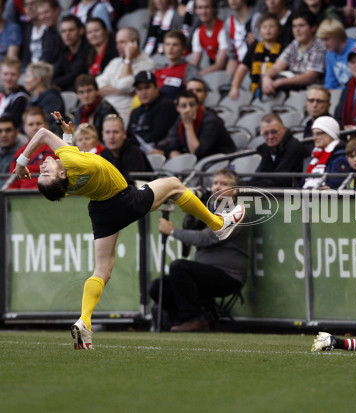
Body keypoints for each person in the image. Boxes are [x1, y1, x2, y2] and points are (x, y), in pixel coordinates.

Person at [12, 116, 246, 349]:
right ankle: (218, 224)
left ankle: (84, 321)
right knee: (174, 184)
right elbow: (43, 134)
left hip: (101, 212)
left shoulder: (68, 177)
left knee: (102, 269)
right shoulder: (70, 162)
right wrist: (22, 162)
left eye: (42, 172)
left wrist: (68, 137)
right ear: (61, 176)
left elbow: (70, 160)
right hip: (125, 200)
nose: (42, 166)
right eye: (46, 173)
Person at [149, 168, 250, 332]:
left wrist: (173, 231)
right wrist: (193, 203)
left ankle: (193, 319)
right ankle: (193, 317)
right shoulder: (209, 209)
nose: (217, 187)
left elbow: (206, 238)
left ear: (235, 190)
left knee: (179, 267)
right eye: (215, 183)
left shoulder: (237, 212)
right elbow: (191, 226)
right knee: (156, 287)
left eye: (224, 184)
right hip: (203, 275)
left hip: (227, 276)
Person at [95, 27, 155, 122]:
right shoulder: (115, 62)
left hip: (125, 115)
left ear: (134, 43)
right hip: (104, 111)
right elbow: (96, 87)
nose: (118, 46)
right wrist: (122, 92)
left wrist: (128, 59)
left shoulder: (147, 64)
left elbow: (124, 85)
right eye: (117, 43)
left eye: (122, 42)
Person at [261, 9, 326, 96]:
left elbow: (310, 77)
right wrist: (266, 78)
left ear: (313, 28)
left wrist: (280, 82)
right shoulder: (295, 43)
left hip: (310, 92)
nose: (297, 30)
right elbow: (277, 67)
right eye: (294, 26)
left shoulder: (319, 46)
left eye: (301, 26)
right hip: (290, 87)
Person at [157, 90, 236, 159]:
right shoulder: (180, 120)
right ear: (178, 108)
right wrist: (173, 153)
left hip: (223, 161)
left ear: (198, 106)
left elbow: (197, 152)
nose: (188, 109)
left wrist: (188, 125)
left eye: (192, 105)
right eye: (184, 106)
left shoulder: (211, 121)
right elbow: (173, 144)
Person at [229, 12, 282, 101]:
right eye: (264, 27)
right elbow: (242, 68)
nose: (268, 29)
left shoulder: (283, 48)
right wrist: (235, 87)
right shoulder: (254, 47)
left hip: (276, 91)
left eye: (272, 26)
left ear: (279, 30)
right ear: (259, 31)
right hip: (256, 89)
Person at [250, 112, 308, 188]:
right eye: (266, 133)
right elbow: (258, 177)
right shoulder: (268, 150)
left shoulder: (294, 148)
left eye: (274, 132)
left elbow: (279, 181)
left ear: (284, 129)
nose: (270, 137)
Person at [127, 70, 178, 152]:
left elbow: (158, 134)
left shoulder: (166, 106)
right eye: (139, 89)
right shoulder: (136, 111)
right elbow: (128, 134)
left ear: (156, 87)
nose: (143, 92)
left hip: (158, 151)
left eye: (147, 87)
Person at [8, 106, 56, 190]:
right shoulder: (19, 153)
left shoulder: (55, 149)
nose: (35, 127)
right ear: (24, 128)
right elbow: (12, 184)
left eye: (38, 123)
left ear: (46, 125)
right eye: (31, 124)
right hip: (22, 198)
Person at [97, 114, 152, 183]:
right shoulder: (105, 154)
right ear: (103, 135)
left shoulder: (134, 152)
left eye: (116, 132)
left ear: (124, 134)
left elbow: (131, 184)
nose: (111, 137)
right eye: (107, 132)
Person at [303, 115, 349, 189]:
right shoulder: (315, 156)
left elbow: (334, 185)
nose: (314, 138)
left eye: (318, 134)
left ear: (330, 134)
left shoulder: (340, 156)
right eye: (313, 134)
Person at [153, 29, 199, 100]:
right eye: (167, 44)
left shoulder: (189, 69)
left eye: (175, 45)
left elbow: (194, 94)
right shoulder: (157, 69)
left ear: (183, 49)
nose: (170, 48)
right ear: (164, 48)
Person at [187, 0, 227, 75]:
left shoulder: (223, 29)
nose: (203, 12)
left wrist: (197, 75)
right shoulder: (198, 32)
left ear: (214, 9)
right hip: (212, 69)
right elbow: (194, 63)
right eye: (200, 8)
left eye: (207, 7)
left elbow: (219, 65)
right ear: (195, 11)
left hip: (226, 70)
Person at [24, 61, 64, 134]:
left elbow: (54, 125)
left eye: (28, 76)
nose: (25, 80)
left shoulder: (52, 99)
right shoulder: (34, 100)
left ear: (38, 79)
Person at [52, 14, 90, 92]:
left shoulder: (88, 50)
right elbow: (56, 73)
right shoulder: (64, 51)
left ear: (81, 31)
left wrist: (55, 84)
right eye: (63, 31)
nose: (67, 34)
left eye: (71, 30)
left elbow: (75, 75)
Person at [73, 74, 118, 139]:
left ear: (97, 91)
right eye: (81, 92)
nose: (86, 95)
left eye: (89, 91)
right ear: (77, 95)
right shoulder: (78, 112)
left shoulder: (107, 109)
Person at [317, 17, 356, 90]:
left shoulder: (355, 48)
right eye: (322, 40)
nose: (324, 44)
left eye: (327, 39)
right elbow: (330, 82)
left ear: (338, 36)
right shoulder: (329, 53)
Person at [20, 0, 61, 67]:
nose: (29, 8)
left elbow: (48, 58)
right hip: (30, 70)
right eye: (26, 5)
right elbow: (25, 57)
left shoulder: (51, 29)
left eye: (46, 12)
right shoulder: (28, 29)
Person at [223, 0, 261, 74]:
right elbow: (232, 57)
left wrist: (257, 42)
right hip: (239, 71)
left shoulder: (257, 18)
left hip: (257, 68)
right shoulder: (229, 22)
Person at [0, 56, 28, 129]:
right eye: (6, 74)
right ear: (1, 74)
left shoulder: (22, 97)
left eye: (13, 74)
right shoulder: (1, 94)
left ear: (20, 74)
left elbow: (13, 123)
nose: (9, 78)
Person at [0, 114, 24, 186]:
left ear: (17, 132)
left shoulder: (25, 153)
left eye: (8, 130)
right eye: (0, 131)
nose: (3, 135)